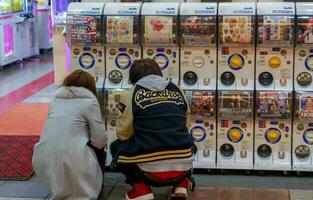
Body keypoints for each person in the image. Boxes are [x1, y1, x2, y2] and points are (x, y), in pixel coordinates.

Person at [110, 59, 194, 200]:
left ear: (132, 77)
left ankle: (140, 189)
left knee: (116, 146)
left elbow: (124, 134)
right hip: (184, 164)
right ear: (158, 72)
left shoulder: (130, 94)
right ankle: (182, 184)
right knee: (183, 142)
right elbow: (185, 125)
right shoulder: (177, 89)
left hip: (149, 170)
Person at [32, 70, 107, 200]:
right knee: (99, 147)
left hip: (42, 158)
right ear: (91, 86)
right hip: (74, 159)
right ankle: (90, 184)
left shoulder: (55, 100)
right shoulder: (90, 102)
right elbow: (100, 140)